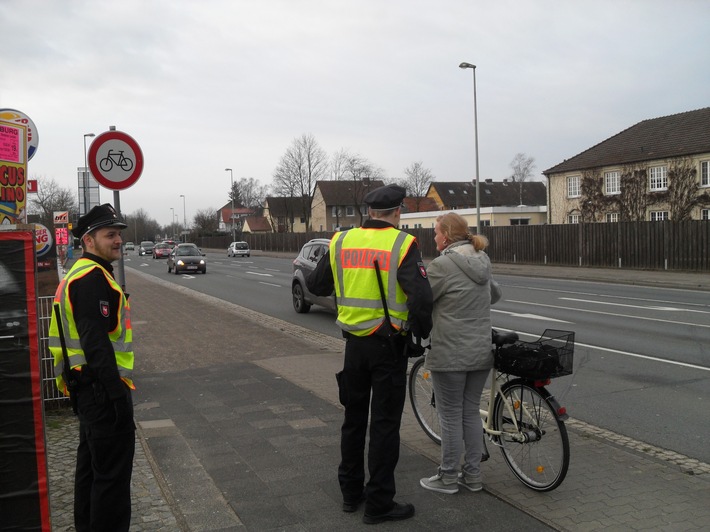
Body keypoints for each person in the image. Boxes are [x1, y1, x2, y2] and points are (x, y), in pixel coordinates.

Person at [307, 184, 433, 525]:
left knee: (353, 420)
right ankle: (379, 502)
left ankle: (350, 494)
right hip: (388, 347)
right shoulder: (402, 243)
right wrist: (422, 333)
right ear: (397, 212)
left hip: (353, 348)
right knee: (384, 426)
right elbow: (421, 298)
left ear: (369, 212)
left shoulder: (340, 241)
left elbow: (317, 286)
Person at [48, 203, 136, 532]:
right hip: (102, 394)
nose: (118, 240)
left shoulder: (79, 274)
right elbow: (95, 342)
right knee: (111, 484)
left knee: (92, 476)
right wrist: (116, 399)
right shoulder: (91, 279)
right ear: (88, 240)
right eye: (110, 234)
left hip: (87, 391)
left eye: (119, 234)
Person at [419, 212, 500, 495]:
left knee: (450, 416)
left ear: (447, 235)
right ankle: (473, 476)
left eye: (436, 232)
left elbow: (422, 299)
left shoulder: (442, 265)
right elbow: (495, 295)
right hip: (479, 351)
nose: (434, 236)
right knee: (469, 414)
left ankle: (448, 477)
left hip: (450, 352)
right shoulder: (481, 259)